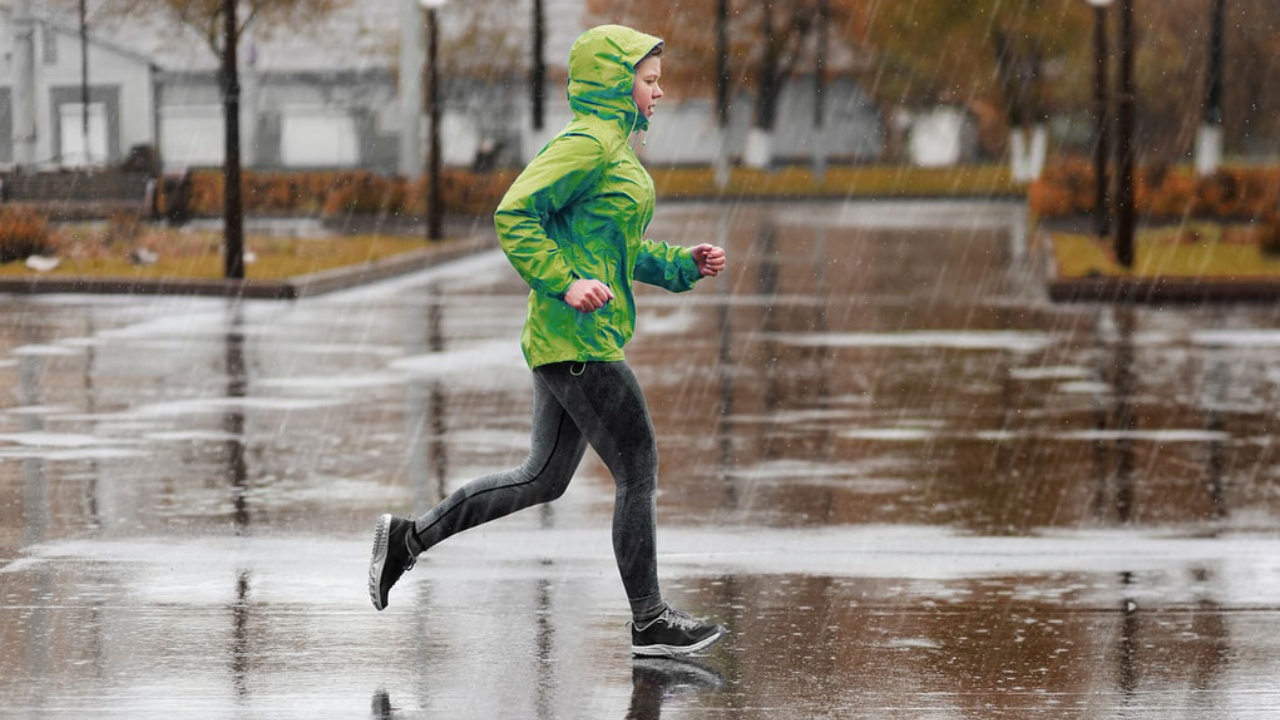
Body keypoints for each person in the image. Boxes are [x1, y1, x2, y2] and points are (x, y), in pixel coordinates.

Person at [369, 24, 728, 658]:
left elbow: (616, 248)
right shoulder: (589, 144)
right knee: (637, 467)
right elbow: (515, 213)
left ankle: (406, 540)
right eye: (648, 80)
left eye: (657, 80)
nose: (659, 91)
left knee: (541, 479)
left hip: (574, 340)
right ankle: (649, 620)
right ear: (618, 83)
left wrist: (680, 265)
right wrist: (564, 284)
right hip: (576, 340)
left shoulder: (614, 149)